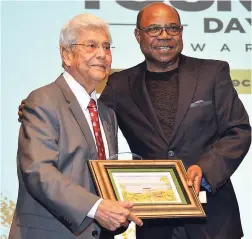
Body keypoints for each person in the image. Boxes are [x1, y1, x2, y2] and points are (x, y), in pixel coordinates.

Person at [99, 2, 251, 239]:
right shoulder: (119, 85)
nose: (165, 36)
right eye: (154, 30)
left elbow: (238, 130)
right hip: (154, 223)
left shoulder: (212, 73)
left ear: (181, 32)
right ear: (138, 35)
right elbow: (89, 120)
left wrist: (205, 169)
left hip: (213, 221)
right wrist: (46, 105)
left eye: (172, 29)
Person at [10, 14, 142, 239]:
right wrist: (98, 207)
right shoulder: (43, 100)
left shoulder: (107, 114)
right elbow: (38, 172)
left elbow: (103, 177)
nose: (101, 54)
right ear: (66, 54)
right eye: (91, 45)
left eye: (107, 47)